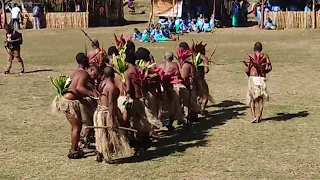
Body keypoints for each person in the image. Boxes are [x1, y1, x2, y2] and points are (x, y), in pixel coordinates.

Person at [55, 64, 100, 159]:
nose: (94, 77)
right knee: (77, 127)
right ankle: (74, 150)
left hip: (68, 100)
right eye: (94, 74)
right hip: (69, 102)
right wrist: (91, 93)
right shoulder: (84, 74)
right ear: (91, 69)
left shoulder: (79, 72)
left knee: (76, 126)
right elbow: (79, 88)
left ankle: (76, 146)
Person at [94, 66, 132, 163]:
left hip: (100, 112)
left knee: (102, 134)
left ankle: (100, 152)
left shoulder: (102, 83)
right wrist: (111, 119)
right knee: (107, 135)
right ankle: (105, 155)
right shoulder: (111, 87)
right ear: (113, 75)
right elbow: (111, 103)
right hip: (106, 113)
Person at [244, 42, 272, 123]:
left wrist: (249, 75)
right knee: (261, 98)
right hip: (261, 78)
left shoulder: (251, 56)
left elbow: (247, 69)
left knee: (252, 98)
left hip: (253, 78)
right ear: (261, 48)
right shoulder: (265, 56)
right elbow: (269, 67)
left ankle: (254, 116)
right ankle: (259, 115)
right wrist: (264, 72)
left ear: (254, 48)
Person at [157, 52, 185, 130]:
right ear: (172, 58)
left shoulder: (159, 65)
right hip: (170, 87)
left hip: (160, 87)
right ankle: (170, 123)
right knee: (173, 105)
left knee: (162, 106)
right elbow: (178, 76)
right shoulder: (174, 65)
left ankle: (162, 121)